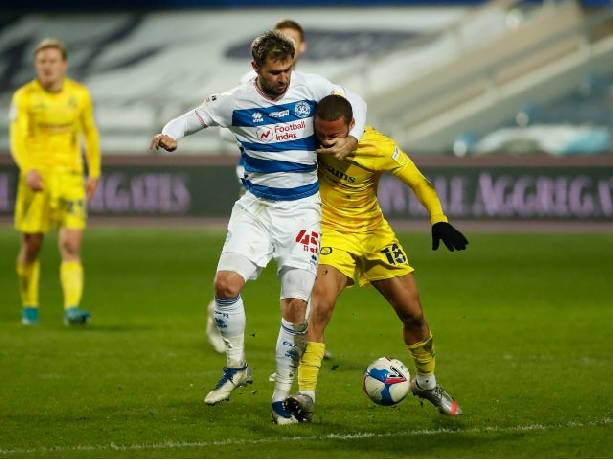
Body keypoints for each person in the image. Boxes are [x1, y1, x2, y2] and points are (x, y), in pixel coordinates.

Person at [150, 31, 367, 424]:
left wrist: (352, 137)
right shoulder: (235, 101)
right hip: (256, 210)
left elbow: (358, 103)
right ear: (256, 68)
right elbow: (191, 118)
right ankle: (236, 366)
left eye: (287, 69)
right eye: (274, 71)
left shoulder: (311, 87)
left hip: (302, 212)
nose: (283, 78)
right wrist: (170, 135)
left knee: (295, 308)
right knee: (225, 285)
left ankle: (282, 395)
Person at [283, 95, 468, 422]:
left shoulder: (378, 147)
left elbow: (417, 181)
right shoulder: (306, 139)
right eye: (321, 134)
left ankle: (426, 383)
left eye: (333, 135)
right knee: (319, 307)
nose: (325, 141)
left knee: (413, 314)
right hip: (331, 233)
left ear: (351, 126)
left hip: (373, 234)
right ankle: (306, 394)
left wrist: (438, 218)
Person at [206, 19, 308, 354]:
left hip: (300, 190)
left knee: (304, 269)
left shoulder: (308, 88)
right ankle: (219, 311)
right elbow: (226, 123)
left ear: (300, 49)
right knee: (248, 265)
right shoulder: (247, 87)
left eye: (292, 43)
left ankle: (305, 333)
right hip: (258, 187)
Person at [9, 38, 101, 326]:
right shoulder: (24, 97)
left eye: (52, 61)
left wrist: (94, 171)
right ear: (36, 66)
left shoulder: (79, 95)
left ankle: (72, 308)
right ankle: (30, 306)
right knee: (32, 246)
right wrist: (28, 170)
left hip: (70, 179)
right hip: (36, 180)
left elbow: (90, 133)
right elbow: (17, 138)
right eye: (42, 62)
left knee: (71, 245)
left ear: (63, 64)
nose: (47, 66)